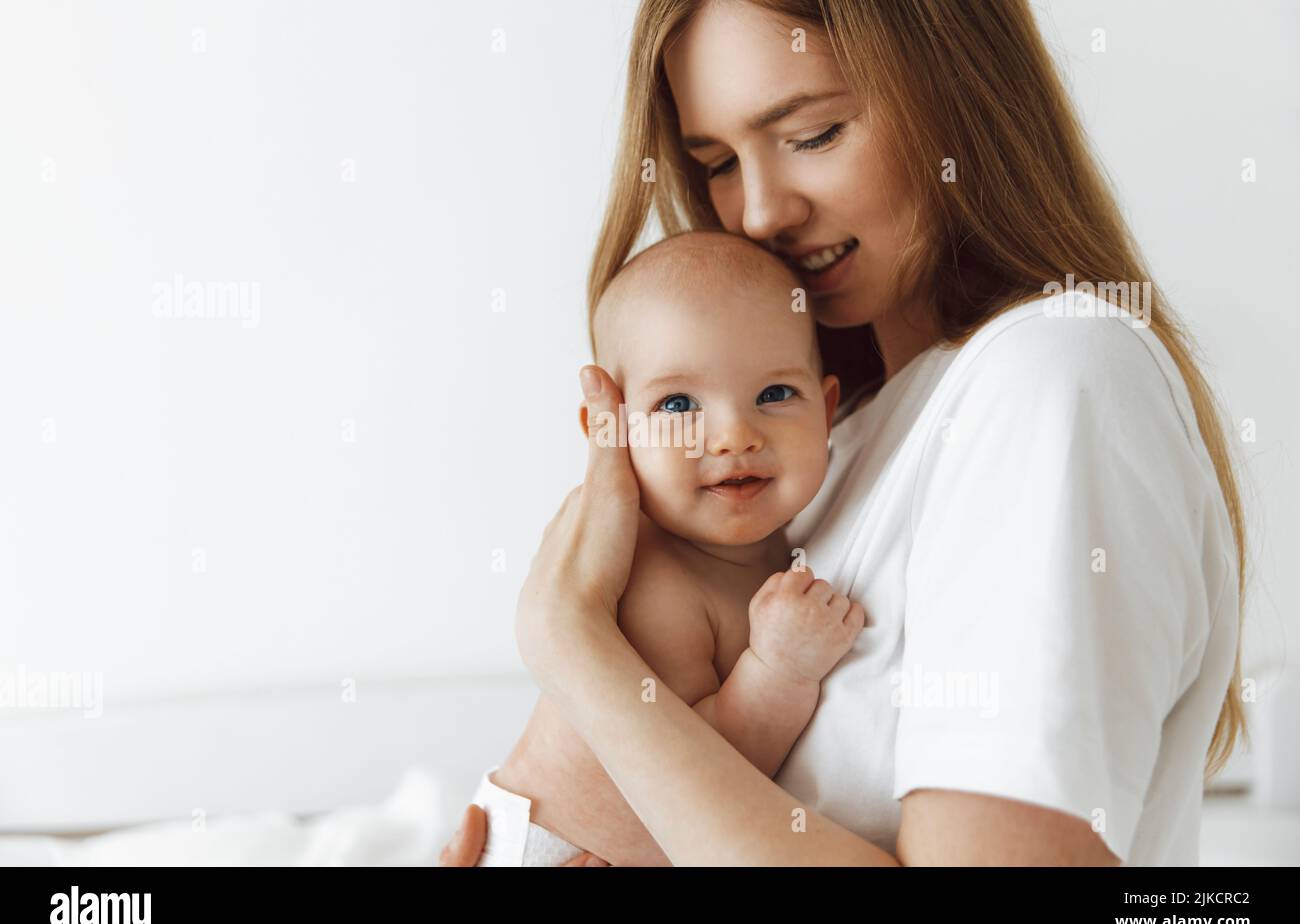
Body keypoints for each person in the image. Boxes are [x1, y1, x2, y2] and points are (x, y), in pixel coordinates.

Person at [442, 0, 1246, 866]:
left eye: (814, 134)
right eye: (715, 162)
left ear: (958, 92)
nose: (757, 213)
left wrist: (569, 643)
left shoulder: (1052, 376)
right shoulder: (828, 452)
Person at [470, 231, 863, 866]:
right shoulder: (654, 579)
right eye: (678, 404)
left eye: (775, 395)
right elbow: (698, 769)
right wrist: (780, 668)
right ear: (616, 430)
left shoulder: (784, 541)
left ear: (827, 409)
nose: (734, 435)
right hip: (545, 851)